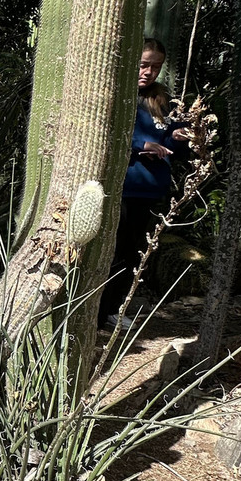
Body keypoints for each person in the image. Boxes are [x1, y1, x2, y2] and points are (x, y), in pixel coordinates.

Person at [98, 38, 192, 330]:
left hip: (149, 191)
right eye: (144, 64)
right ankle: (96, 313)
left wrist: (179, 138)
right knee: (110, 252)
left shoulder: (162, 100)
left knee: (131, 253)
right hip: (120, 187)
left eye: (156, 66)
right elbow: (102, 135)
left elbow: (176, 147)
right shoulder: (114, 92)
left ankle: (112, 311)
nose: (149, 72)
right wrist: (141, 145)